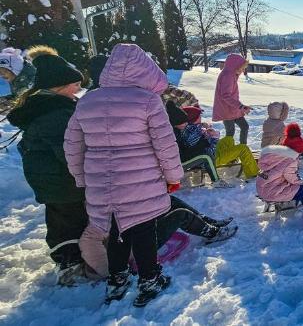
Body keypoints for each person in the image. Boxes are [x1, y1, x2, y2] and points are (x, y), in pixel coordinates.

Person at [64, 43, 182, 307]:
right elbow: (165, 144)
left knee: (116, 230)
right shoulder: (148, 101)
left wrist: (81, 179)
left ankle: (117, 280)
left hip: (100, 183)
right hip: (140, 182)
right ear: (145, 72)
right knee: (143, 231)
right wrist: (173, 176)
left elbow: (72, 145)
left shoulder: (88, 100)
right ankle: (149, 280)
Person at [7, 46, 88, 286]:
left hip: (50, 177)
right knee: (69, 220)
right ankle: (69, 263)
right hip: (61, 179)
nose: (78, 90)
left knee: (62, 217)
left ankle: (70, 256)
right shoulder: (56, 114)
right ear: (59, 85)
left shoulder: (50, 106)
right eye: (75, 85)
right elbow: (69, 152)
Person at [79, 196, 237, 280]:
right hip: (140, 247)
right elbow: (88, 242)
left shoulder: (110, 201)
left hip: (139, 230)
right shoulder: (100, 218)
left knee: (169, 201)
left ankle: (208, 221)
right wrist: (116, 268)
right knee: (180, 215)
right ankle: (212, 233)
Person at [168, 102, 260, 180]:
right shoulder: (193, 133)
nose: (201, 118)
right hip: (211, 159)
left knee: (228, 139)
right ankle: (253, 175)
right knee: (243, 148)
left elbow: (203, 142)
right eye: (199, 116)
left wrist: (205, 131)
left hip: (210, 153)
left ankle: (232, 161)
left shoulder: (191, 128)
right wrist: (213, 137)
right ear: (194, 119)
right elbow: (207, 150)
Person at [256, 145, 303, 220]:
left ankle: (296, 200)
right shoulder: (290, 160)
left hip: (263, 189)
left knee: (295, 187)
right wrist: (302, 184)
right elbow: (292, 179)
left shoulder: (273, 156)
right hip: (272, 192)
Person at [213, 53, 251, 144]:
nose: (243, 70)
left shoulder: (231, 74)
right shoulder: (228, 76)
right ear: (235, 66)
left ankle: (242, 149)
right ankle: (228, 152)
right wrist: (241, 106)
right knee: (230, 132)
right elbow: (225, 96)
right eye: (242, 67)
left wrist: (240, 106)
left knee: (244, 126)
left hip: (233, 109)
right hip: (227, 110)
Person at [0, 46, 37, 111]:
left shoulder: (32, 79)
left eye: (5, 71)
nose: (1, 75)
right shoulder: (12, 80)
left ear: (16, 69)